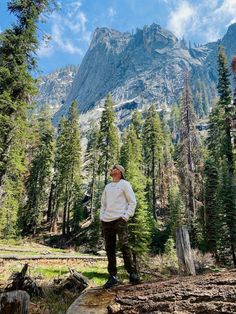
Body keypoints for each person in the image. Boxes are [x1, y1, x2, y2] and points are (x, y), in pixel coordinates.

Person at [100, 164, 141, 289]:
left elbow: (132, 201)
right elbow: (103, 203)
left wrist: (126, 216)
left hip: (120, 220)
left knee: (124, 245)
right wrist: (102, 216)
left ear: (120, 172)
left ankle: (132, 274)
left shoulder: (125, 184)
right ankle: (112, 277)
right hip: (107, 221)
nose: (112, 169)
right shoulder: (108, 186)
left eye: (114, 168)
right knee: (109, 248)